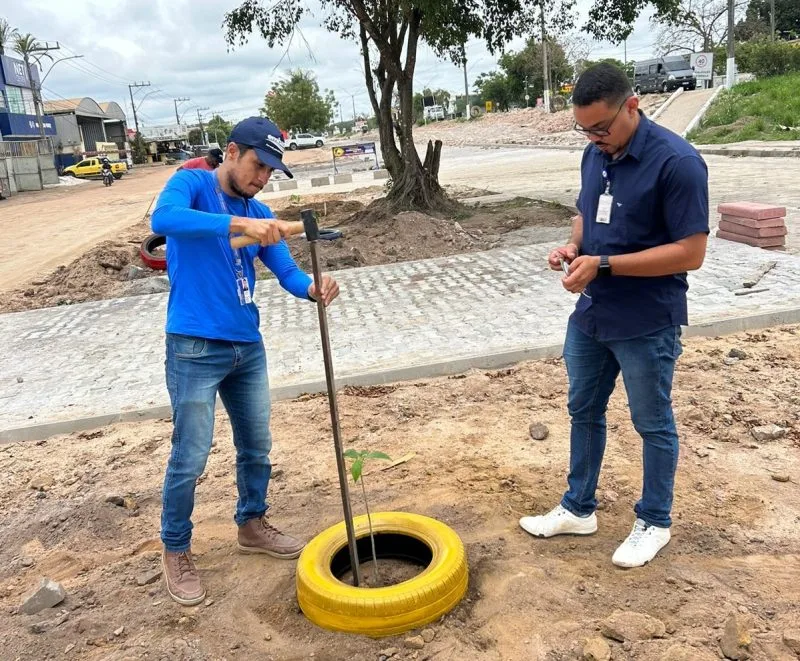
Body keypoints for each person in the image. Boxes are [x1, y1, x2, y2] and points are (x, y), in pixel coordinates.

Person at [519, 63, 709, 568]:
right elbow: (585, 212)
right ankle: (579, 508)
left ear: (632, 106)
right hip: (592, 316)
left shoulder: (678, 163)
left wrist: (604, 264)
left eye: (602, 127)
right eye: (585, 129)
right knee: (583, 410)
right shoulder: (593, 153)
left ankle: (654, 521)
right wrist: (573, 246)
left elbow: (691, 252)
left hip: (647, 320)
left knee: (652, 422)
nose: (595, 138)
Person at [151, 116, 340, 606]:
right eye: (258, 165)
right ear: (232, 152)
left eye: (271, 172)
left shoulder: (260, 209)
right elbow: (164, 221)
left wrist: (312, 288)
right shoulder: (191, 184)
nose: (262, 178)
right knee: (190, 455)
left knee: (256, 445)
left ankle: (251, 524)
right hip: (194, 345)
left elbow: (287, 271)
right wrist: (239, 223)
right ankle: (175, 548)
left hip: (246, 347)